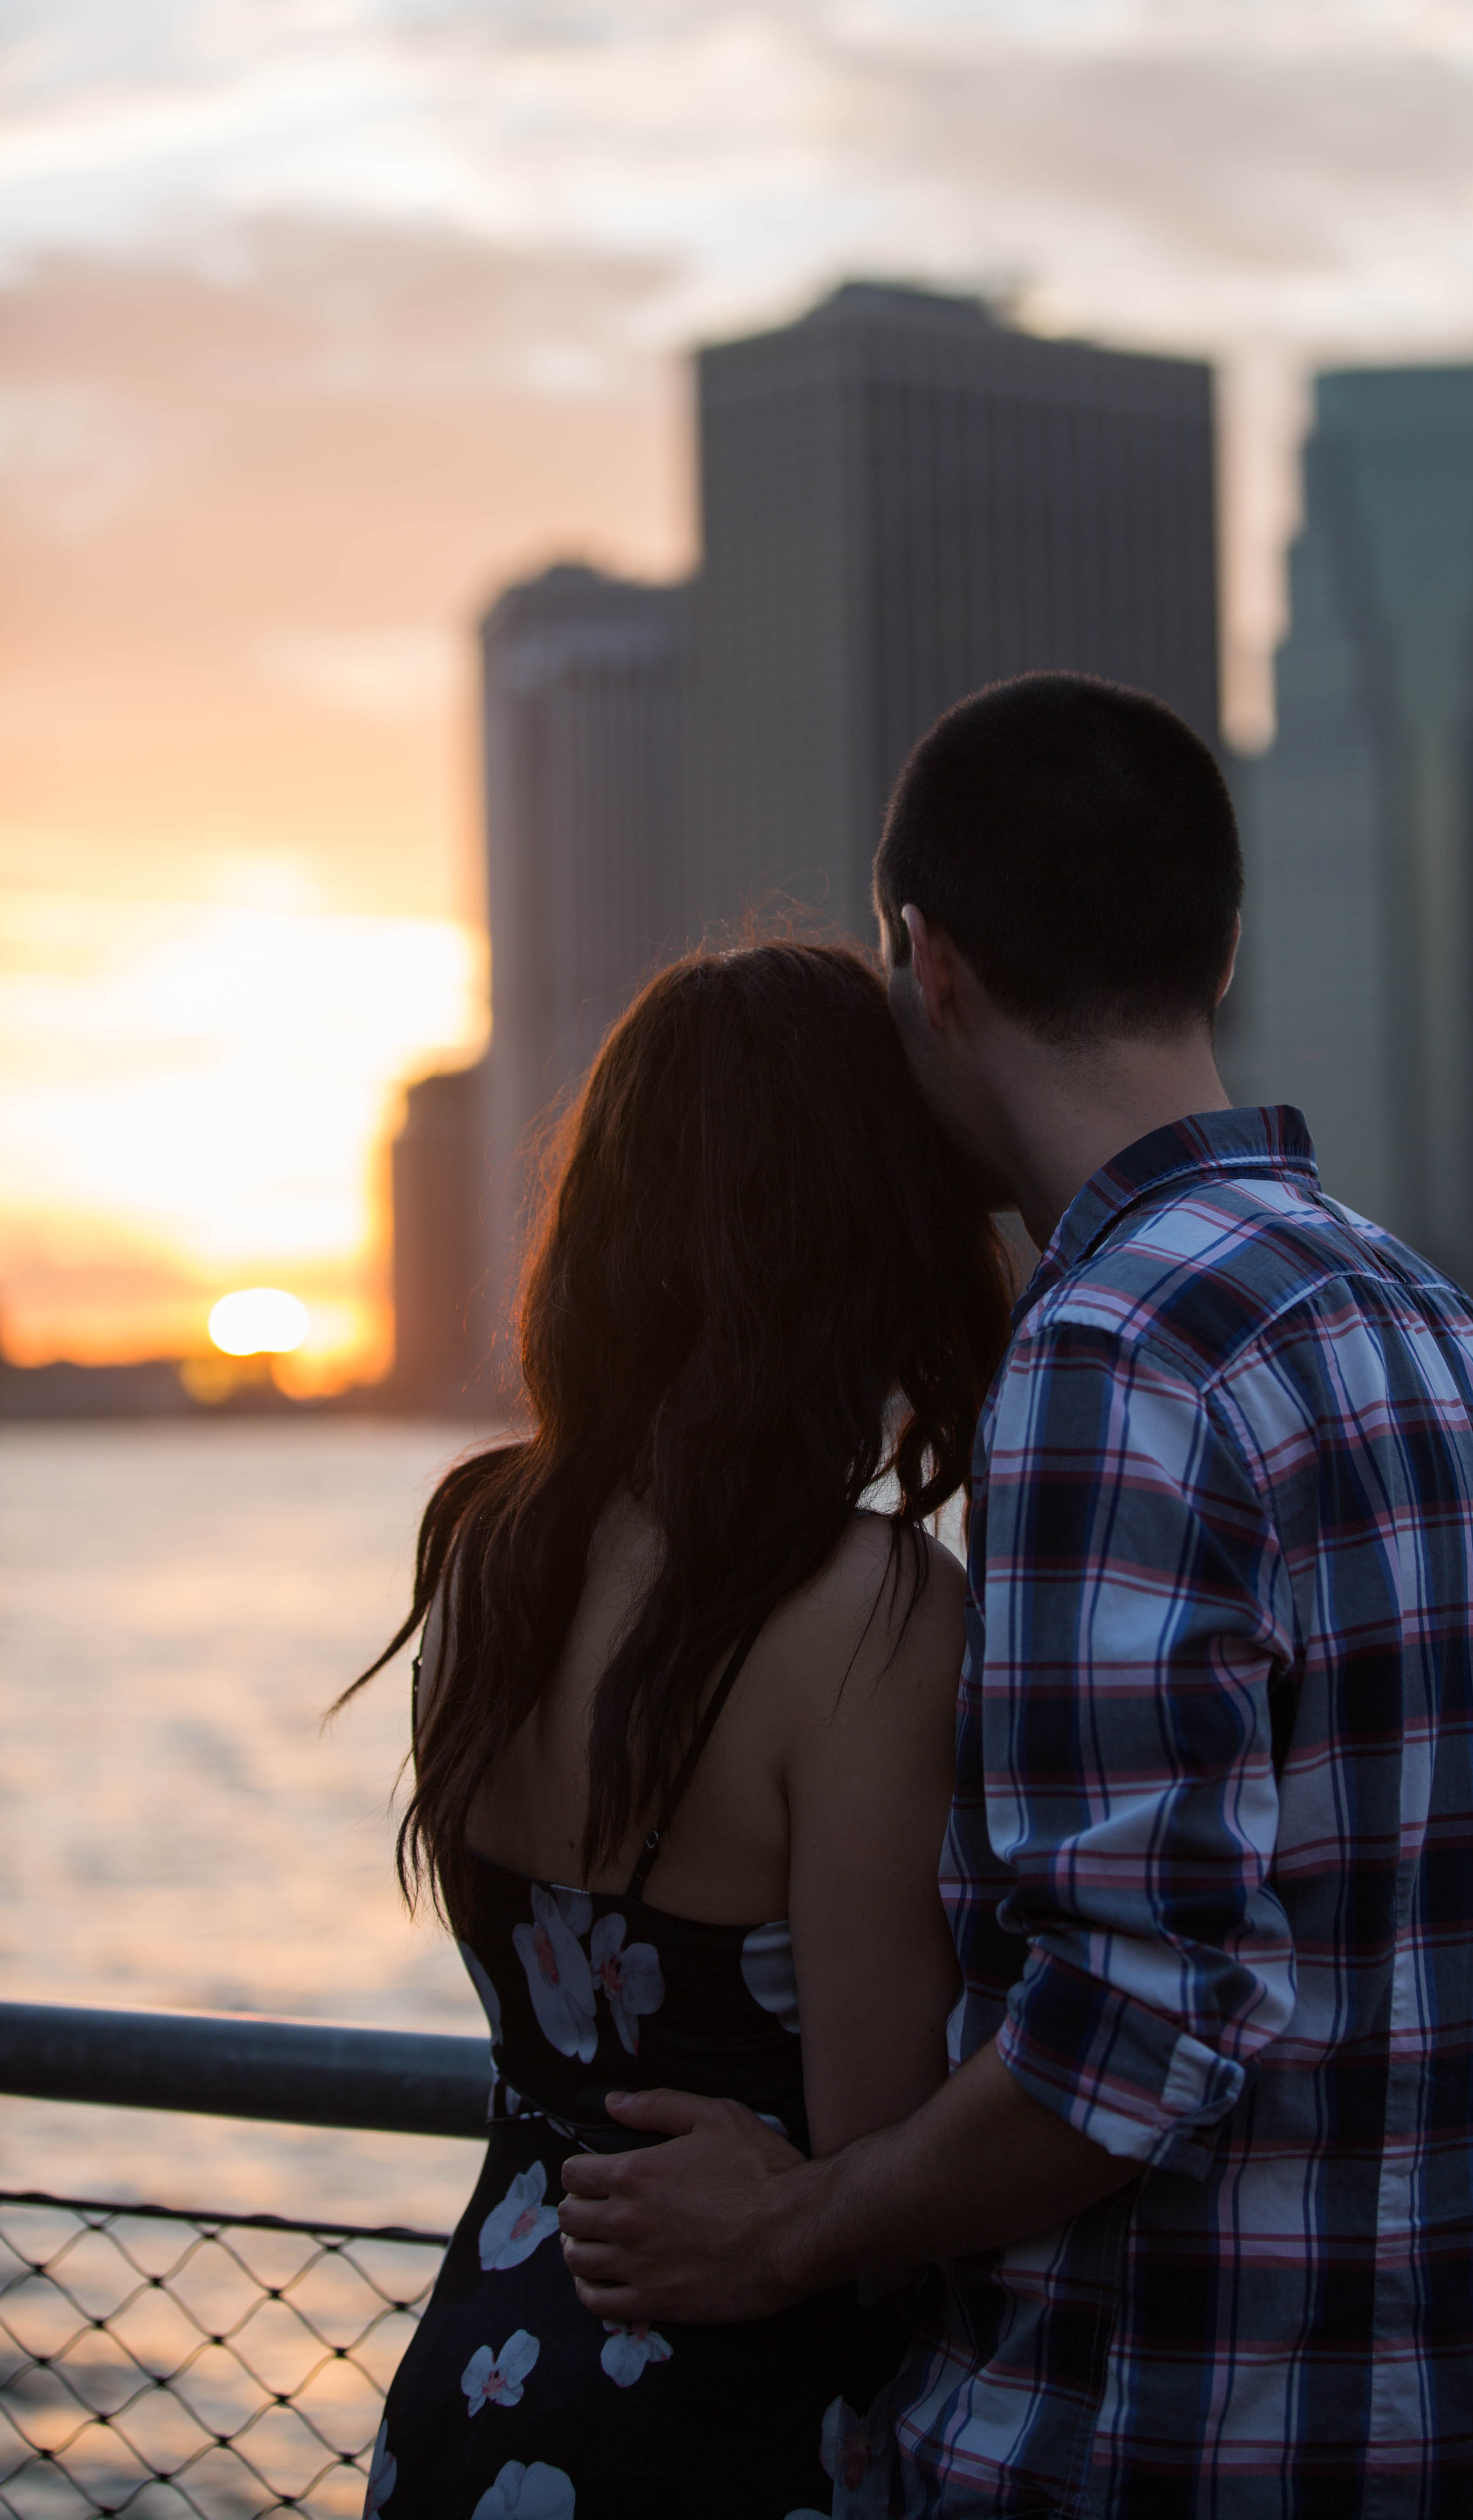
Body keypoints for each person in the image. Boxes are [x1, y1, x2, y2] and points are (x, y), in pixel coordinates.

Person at [560, 673, 1473, 2520]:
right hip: (1429, 2440)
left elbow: (1136, 2024)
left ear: (932, 966)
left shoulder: (1116, 1348)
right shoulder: (1436, 1325)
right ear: (1223, 948)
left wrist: (789, 2231)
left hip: (1137, 2449)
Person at [343, 942, 1013, 2520]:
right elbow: (880, 2145)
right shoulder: (871, 1612)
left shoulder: (486, 1544)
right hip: (724, 2429)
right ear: (868, 1231)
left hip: (477, 2385)